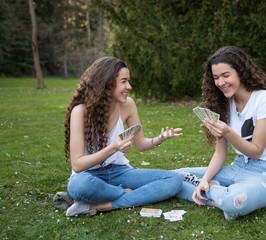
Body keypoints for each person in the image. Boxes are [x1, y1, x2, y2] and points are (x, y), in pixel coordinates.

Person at [175, 46, 266, 220]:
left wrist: (227, 131)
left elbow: (256, 152)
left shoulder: (265, 99)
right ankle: (213, 189)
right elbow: (220, 153)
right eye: (216, 78)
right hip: (238, 167)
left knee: (234, 201)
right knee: (176, 176)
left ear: (241, 72)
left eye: (226, 76)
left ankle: (217, 193)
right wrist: (205, 179)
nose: (220, 83)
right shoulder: (225, 104)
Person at [63, 56, 183, 217]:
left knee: (173, 180)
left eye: (128, 81)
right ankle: (125, 193)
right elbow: (77, 165)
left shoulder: (128, 105)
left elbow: (140, 144)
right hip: (89, 176)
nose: (129, 86)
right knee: (78, 186)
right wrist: (113, 148)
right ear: (106, 83)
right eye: (124, 81)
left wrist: (158, 139)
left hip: (120, 172)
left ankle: (103, 205)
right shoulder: (80, 111)